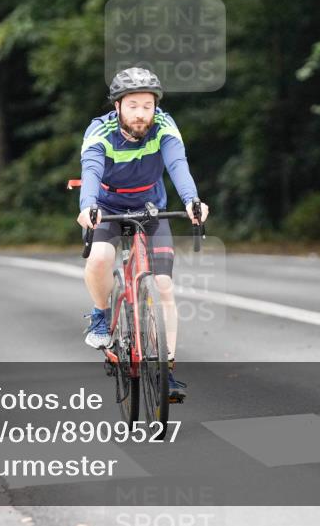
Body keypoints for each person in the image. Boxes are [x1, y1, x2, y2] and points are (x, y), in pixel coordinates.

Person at [77, 67, 209, 402]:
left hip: (151, 208)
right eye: (133, 105)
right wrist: (88, 205)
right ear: (118, 106)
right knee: (101, 258)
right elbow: (91, 170)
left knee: (163, 286)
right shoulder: (99, 131)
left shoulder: (164, 125)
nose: (141, 113)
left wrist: (192, 200)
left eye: (147, 106)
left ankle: (167, 372)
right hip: (106, 208)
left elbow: (178, 164)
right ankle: (100, 316)